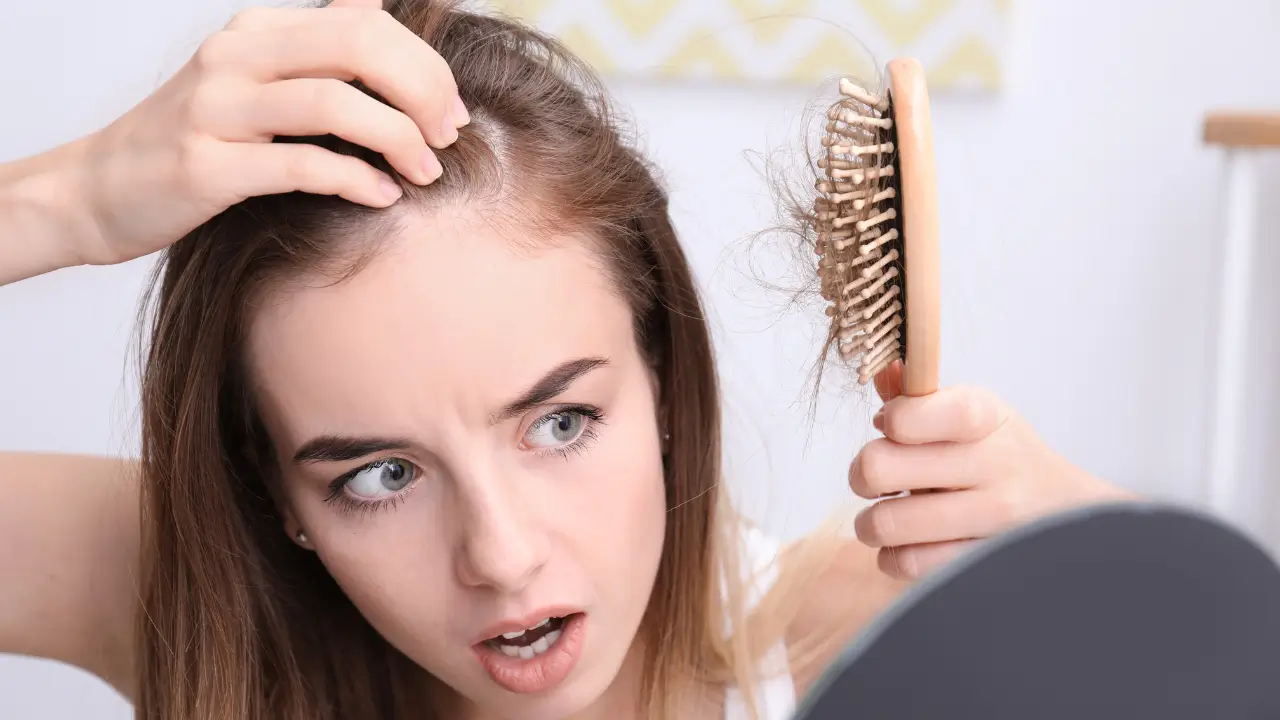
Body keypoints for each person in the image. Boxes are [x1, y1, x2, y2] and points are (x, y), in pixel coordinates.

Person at [0, 0, 1132, 717]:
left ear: (660, 380)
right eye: (377, 476)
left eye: (559, 423)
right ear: (275, 495)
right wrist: (64, 201)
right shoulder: (197, 593)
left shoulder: (848, 639)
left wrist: (1132, 572)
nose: (500, 557)